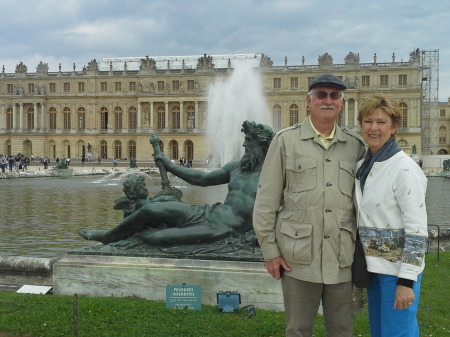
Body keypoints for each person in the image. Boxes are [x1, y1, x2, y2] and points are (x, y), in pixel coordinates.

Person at [253, 73, 366, 337]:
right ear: (308, 101)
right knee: (298, 330)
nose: (328, 100)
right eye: (321, 95)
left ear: (341, 102)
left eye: (334, 95)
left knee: (342, 330)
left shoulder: (355, 146)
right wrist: (270, 252)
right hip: (298, 258)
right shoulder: (285, 141)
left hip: (341, 258)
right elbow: (266, 202)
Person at [80, 120, 274, 246]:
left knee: (156, 238)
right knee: (150, 211)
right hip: (209, 213)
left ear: (261, 144)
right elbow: (201, 179)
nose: (243, 145)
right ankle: (108, 236)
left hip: (224, 229)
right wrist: (168, 165)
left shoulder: (273, 176)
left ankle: (135, 238)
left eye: (248, 140)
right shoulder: (236, 167)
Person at [355, 94, 428, 337]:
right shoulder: (364, 165)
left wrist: (407, 282)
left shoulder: (405, 169)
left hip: (397, 273)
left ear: (394, 127)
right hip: (374, 269)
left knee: (398, 333)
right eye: (367, 121)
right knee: (380, 331)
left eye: (381, 122)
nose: (373, 128)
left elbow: (417, 231)